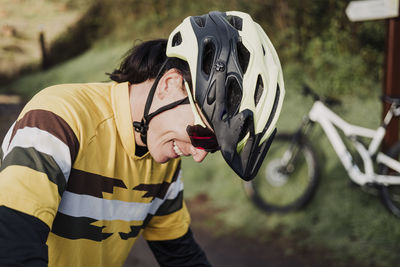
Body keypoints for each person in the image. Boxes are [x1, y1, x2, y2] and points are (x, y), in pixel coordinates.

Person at [0, 11, 284, 267]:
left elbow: (180, 254)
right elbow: (13, 245)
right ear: (170, 85)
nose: (197, 155)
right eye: (201, 135)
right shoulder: (59, 118)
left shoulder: (162, 155)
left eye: (210, 147)